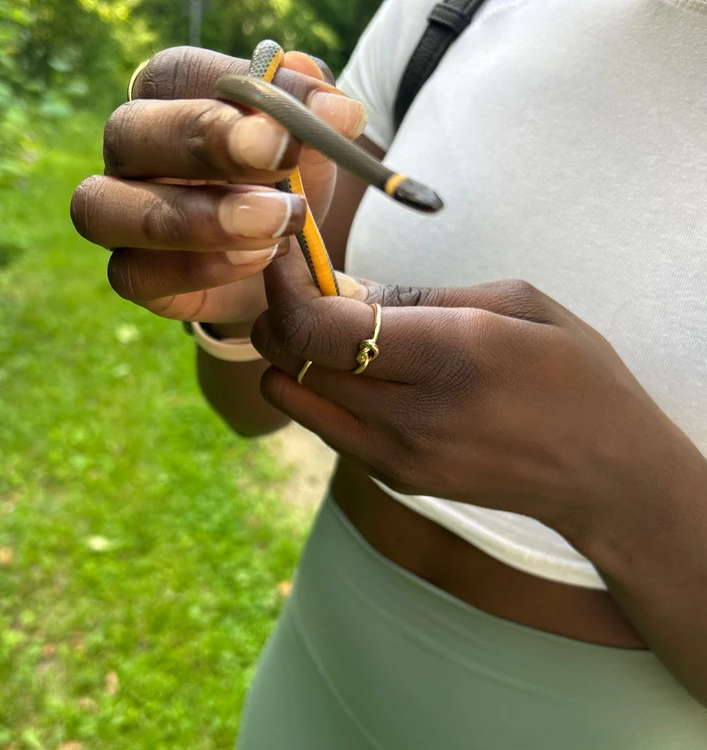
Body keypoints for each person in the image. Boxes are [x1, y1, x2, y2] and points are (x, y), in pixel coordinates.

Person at [69, 0, 707, 746]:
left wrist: (617, 486)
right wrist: (234, 280)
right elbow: (247, 403)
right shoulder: (452, 11)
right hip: (320, 653)